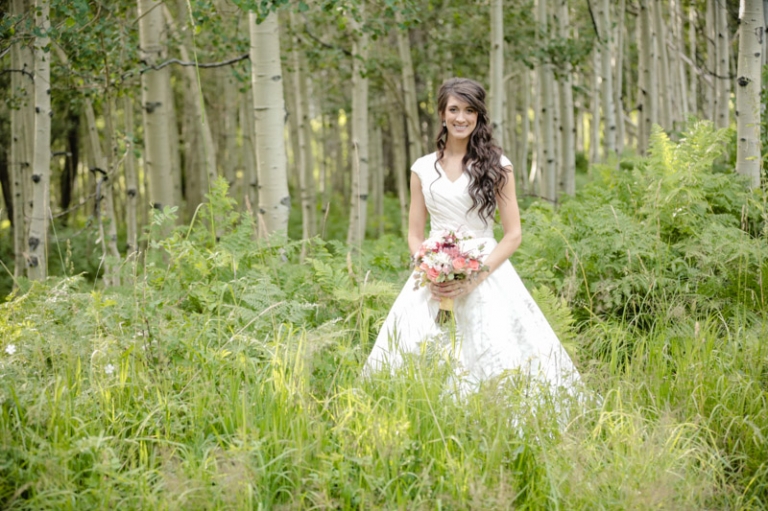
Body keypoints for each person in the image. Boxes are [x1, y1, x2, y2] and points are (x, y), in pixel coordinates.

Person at [364, 77, 580, 394]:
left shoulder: (497, 166)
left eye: (469, 110)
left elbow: (513, 234)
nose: (461, 118)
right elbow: (414, 233)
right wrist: (429, 268)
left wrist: (472, 278)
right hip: (434, 276)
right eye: (454, 109)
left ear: (478, 115)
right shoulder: (422, 169)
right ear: (441, 113)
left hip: (486, 269)